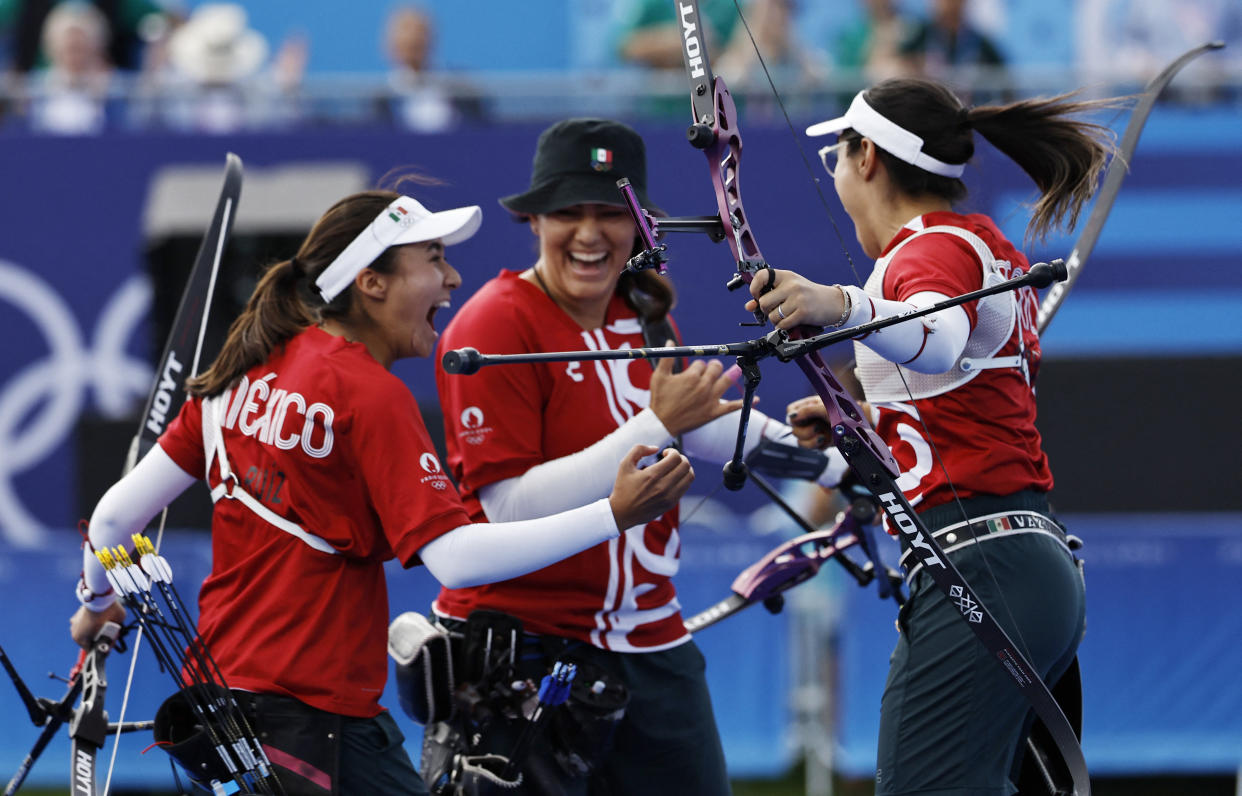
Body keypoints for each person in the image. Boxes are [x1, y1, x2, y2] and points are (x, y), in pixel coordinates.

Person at [68, 184, 695, 795]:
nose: (452, 279)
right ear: (371, 283)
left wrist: (97, 604)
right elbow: (455, 556)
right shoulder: (369, 395)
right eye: (434, 260)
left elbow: (113, 518)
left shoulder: (246, 368)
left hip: (224, 709)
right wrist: (613, 514)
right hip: (317, 724)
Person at [428, 118, 846, 795]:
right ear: (533, 221)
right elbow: (503, 507)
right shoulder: (494, 321)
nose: (590, 234)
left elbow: (704, 427)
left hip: (651, 637)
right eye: (569, 213)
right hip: (530, 649)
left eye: (611, 214)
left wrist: (838, 468)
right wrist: (653, 425)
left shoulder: (644, 315)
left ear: (641, 226)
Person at [745, 78, 1111, 794]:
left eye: (839, 158)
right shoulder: (973, 245)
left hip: (984, 566)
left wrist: (835, 302)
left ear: (868, 159)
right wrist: (867, 422)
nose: (840, 175)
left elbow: (940, 338)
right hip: (1019, 566)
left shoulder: (930, 250)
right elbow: (957, 390)